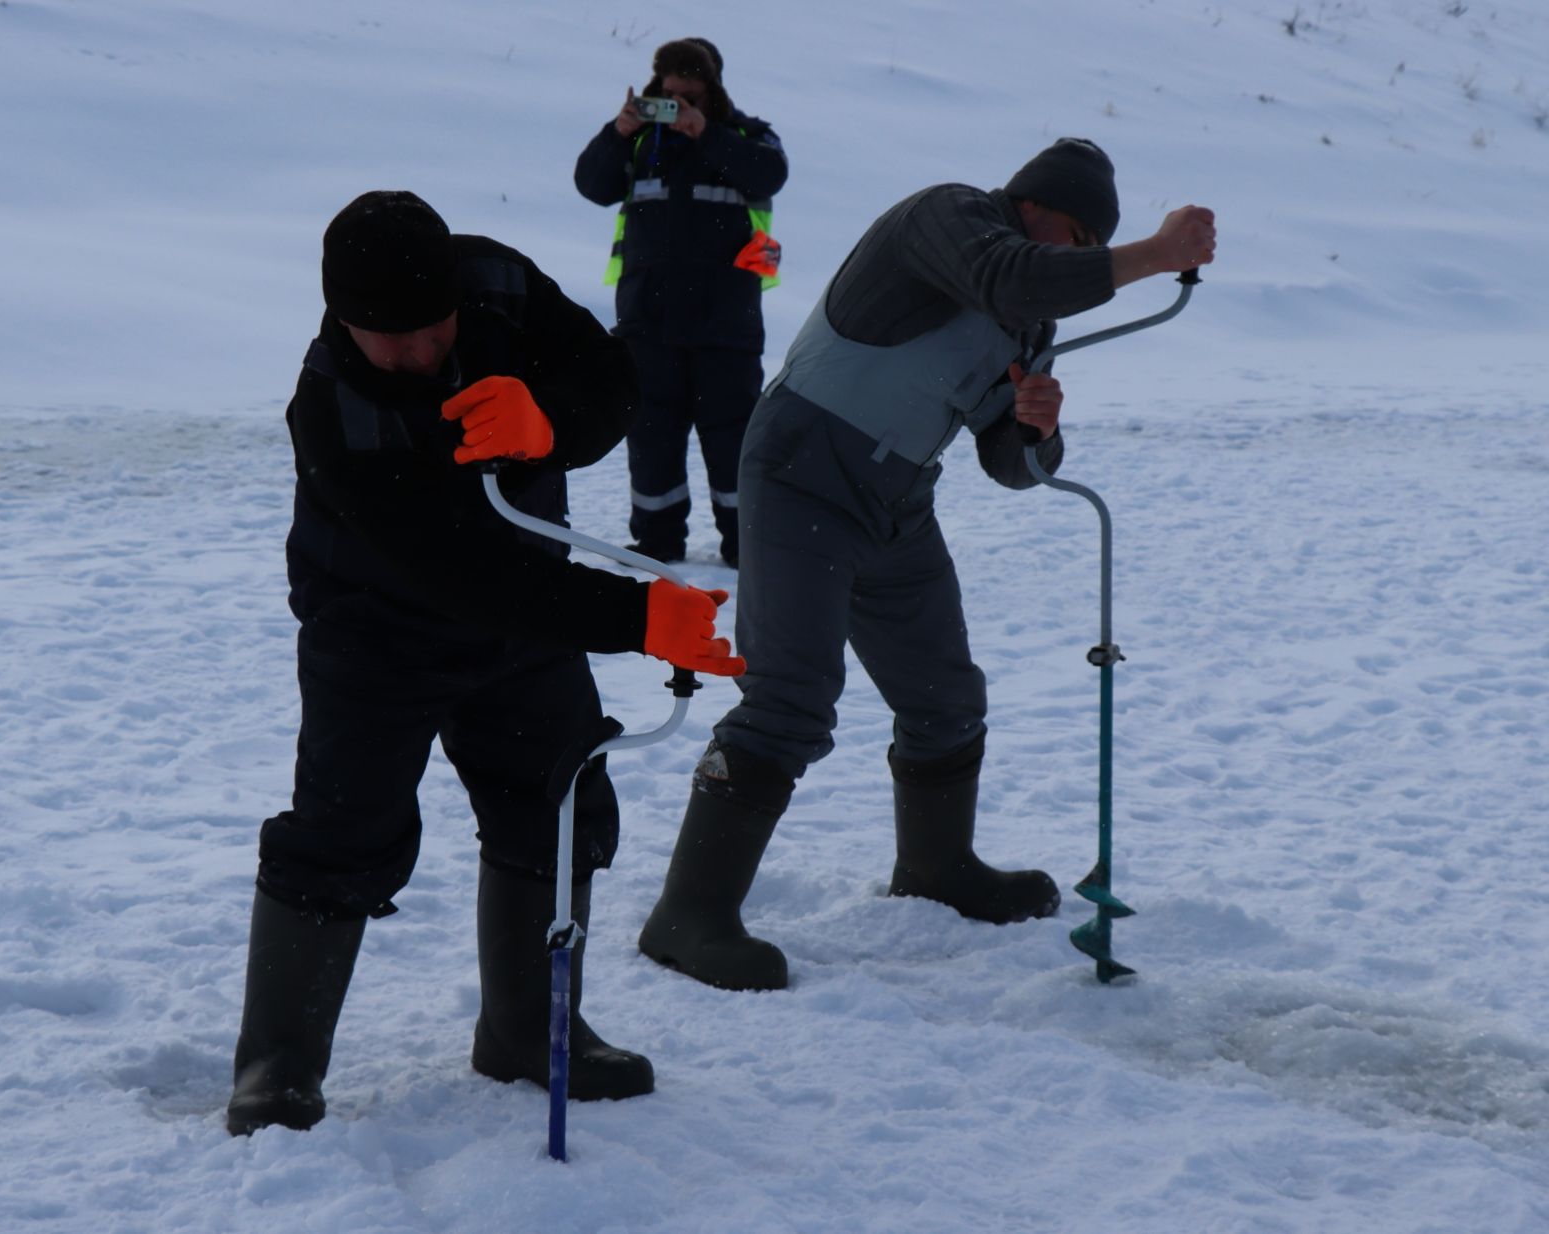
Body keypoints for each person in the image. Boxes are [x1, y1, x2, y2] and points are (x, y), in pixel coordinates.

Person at [635, 139, 1217, 991]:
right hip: (801, 471)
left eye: (1099, 244)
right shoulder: (948, 218)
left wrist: (1036, 428)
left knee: (947, 696)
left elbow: (1010, 467)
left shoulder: (1030, 319)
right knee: (790, 699)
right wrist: (1157, 255)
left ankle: (938, 871)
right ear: (1031, 205)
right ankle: (687, 916)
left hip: (896, 500)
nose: (1085, 254)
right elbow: (1014, 276)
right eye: (1080, 234)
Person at [226, 190, 746, 1135]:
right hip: (374, 631)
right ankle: (276, 1067)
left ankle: (525, 1031)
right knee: (345, 834)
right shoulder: (333, 408)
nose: (421, 352)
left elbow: (613, 379)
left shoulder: (498, 283)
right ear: (343, 318)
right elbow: (459, 573)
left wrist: (551, 421)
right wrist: (637, 615)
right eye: (392, 338)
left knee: (558, 804)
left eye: (434, 328)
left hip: (525, 619)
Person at [574, 37, 787, 567]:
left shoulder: (746, 135)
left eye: (688, 96)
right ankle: (657, 540)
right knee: (650, 436)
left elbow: (771, 174)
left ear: (711, 92)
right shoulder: (640, 142)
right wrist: (619, 130)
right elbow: (591, 184)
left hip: (727, 324)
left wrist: (704, 134)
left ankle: (747, 543)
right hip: (648, 321)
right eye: (668, 95)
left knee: (733, 439)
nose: (677, 106)